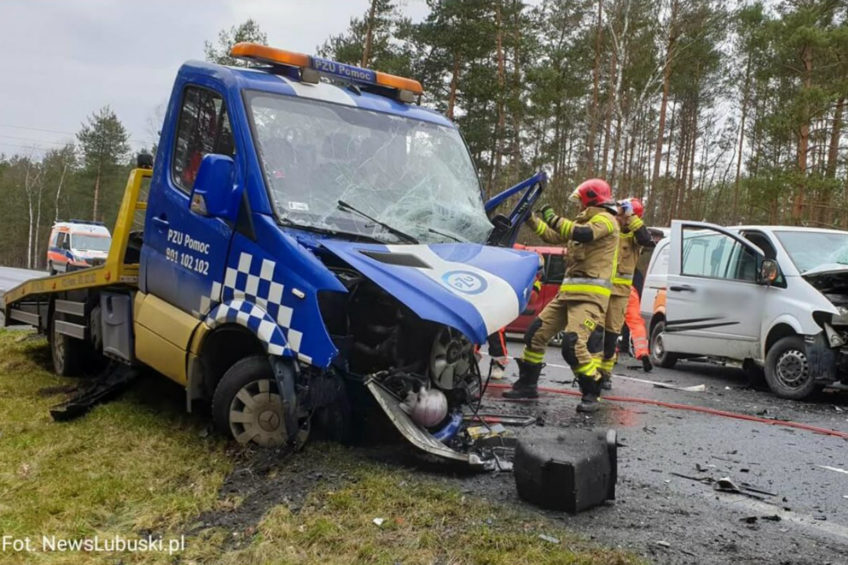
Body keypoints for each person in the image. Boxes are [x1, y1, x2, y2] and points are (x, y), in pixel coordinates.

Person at [504, 178, 619, 413]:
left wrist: (552, 216)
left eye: (580, 201)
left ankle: (592, 390)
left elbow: (583, 234)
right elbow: (551, 235)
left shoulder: (606, 220)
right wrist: (530, 218)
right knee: (535, 334)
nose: (578, 205)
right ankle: (527, 385)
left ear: (590, 199)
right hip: (567, 295)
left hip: (590, 298)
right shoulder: (581, 222)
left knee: (572, 345)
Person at [595, 198, 654, 389]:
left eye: (622, 213)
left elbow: (646, 239)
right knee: (596, 331)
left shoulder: (636, 237)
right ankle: (593, 372)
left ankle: (605, 374)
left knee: (612, 333)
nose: (618, 216)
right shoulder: (611, 229)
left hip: (621, 293)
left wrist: (631, 218)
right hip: (602, 289)